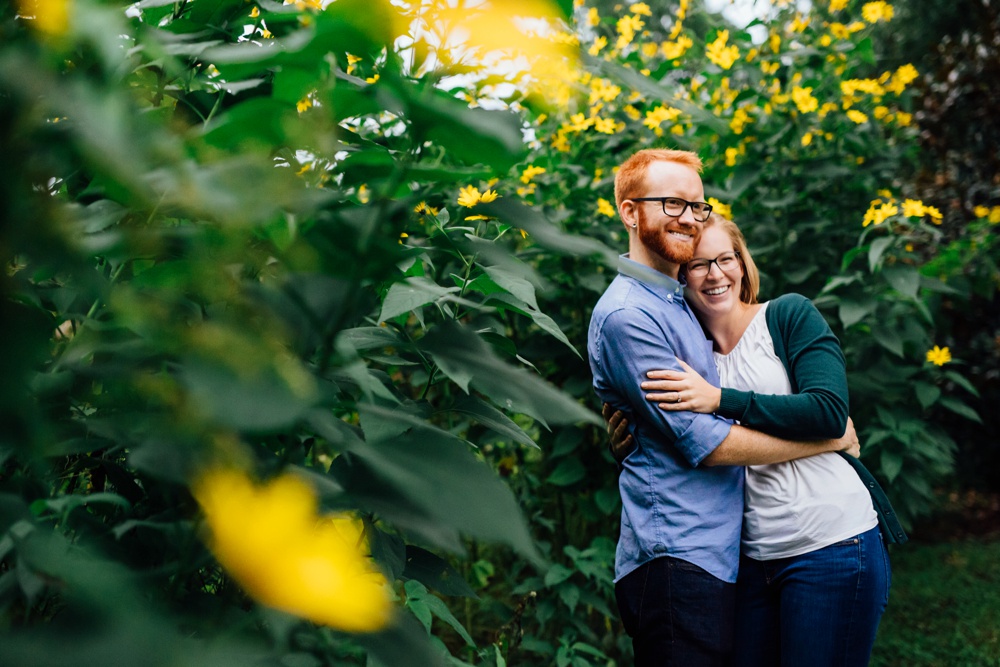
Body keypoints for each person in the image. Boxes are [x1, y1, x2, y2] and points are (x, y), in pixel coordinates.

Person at [586, 148, 860, 667]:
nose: (689, 217)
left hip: (726, 555)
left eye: (697, 205)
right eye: (672, 203)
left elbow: (680, 418)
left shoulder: (678, 305)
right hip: (676, 556)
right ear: (629, 212)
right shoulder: (630, 315)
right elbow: (706, 443)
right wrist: (828, 439)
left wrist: (634, 433)